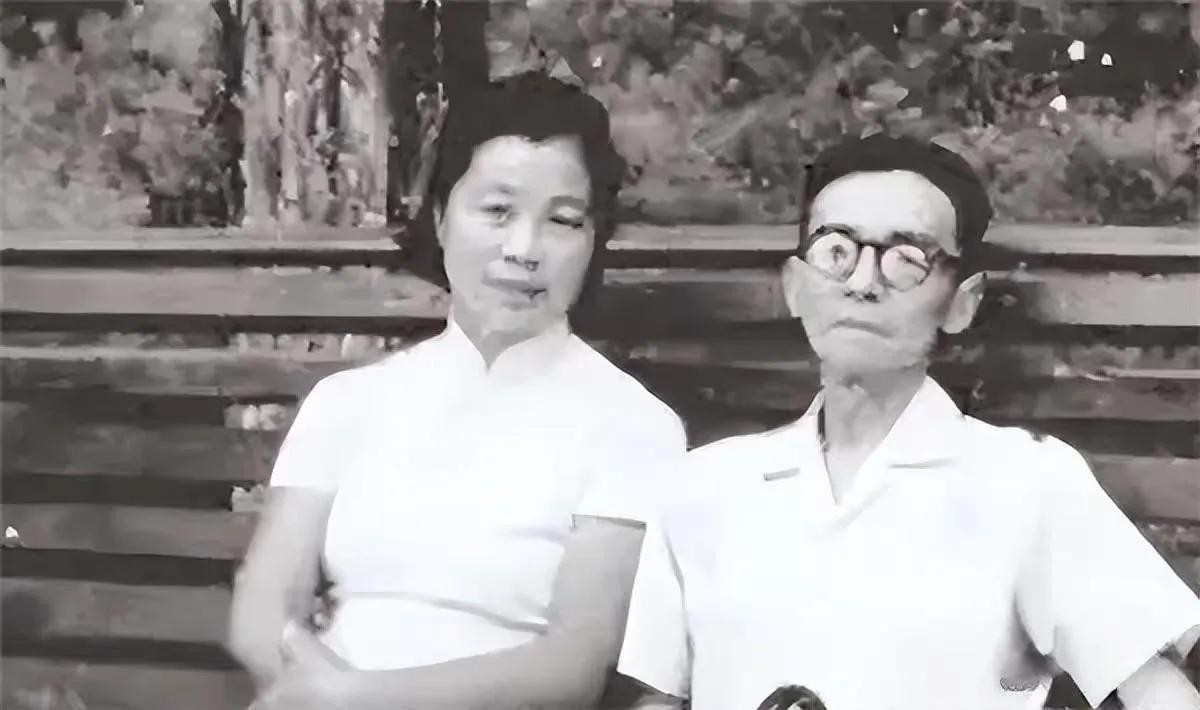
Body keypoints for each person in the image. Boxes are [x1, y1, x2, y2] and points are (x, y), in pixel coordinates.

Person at [617, 134, 1200, 710]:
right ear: (795, 285)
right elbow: (659, 698)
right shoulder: (704, 484)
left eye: (907, 260)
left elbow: (1156, 690)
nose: (863, 283)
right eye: (836, 252)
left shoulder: (1026, 480)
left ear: (961, 302)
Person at [227, 71, 686, 710]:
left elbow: (571, 667)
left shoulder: (633, 425)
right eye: (497, 211)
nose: (523, 249)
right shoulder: (347, 403)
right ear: (441, 218)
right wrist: (308, 691)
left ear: (592, 241)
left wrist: (359, 699)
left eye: (563, 220)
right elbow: (263, 608)